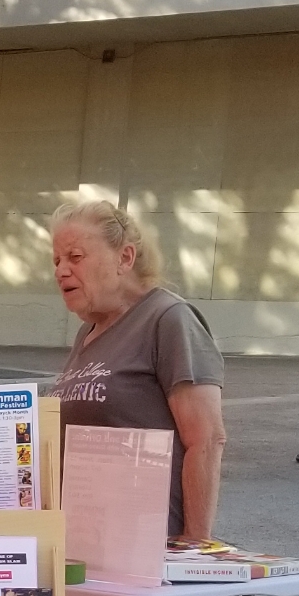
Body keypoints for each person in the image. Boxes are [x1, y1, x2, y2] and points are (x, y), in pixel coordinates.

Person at [49, 198, 226, 540]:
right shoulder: (88, 332)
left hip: (146, 541)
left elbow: (207, 439)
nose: (60, 270)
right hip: (88, 537)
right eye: (56, 260)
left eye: (75, 257)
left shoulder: (169, 319)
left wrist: (194, 544)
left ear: (124, 258)